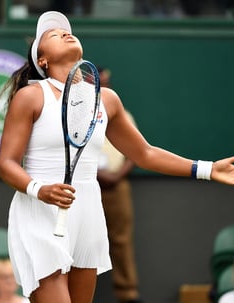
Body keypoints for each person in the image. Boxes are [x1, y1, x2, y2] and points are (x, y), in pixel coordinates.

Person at [0, 10, 234, 303]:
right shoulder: (31, 97)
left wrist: (207, 169)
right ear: (41, 60)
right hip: (39, 210)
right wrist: (40, 190)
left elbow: (145, 153)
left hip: (88, 211)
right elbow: (6, 164)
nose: (65, 32)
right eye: (53, 34)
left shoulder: (106, 100)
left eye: (67, 30)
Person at [96, 66, 141, 303]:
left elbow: (137, 152)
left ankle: (128, 294)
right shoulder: (78, 114)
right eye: (100, 81)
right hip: (86, 186)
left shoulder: (123, 114)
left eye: (107, 81)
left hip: (118, 185)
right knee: (82, 240)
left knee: (122, 240)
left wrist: (117, 176)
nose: (105, 85)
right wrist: (95, 174)